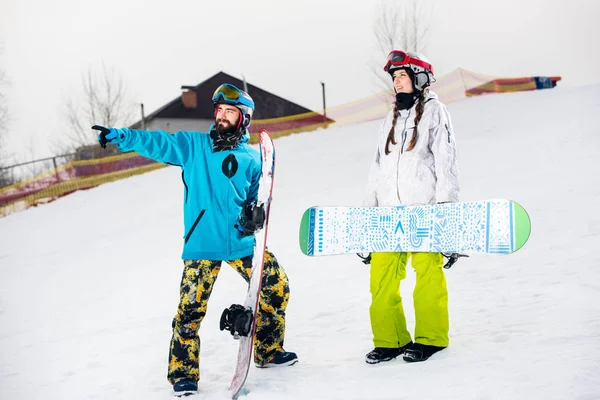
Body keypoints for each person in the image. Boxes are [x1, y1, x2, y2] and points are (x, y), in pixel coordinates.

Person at [92, 83, 298, 396]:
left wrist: (254, 217)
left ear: (244, 118)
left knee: (277, 286)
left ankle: (268, 349)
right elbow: (156, 142)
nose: (223, 117)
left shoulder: (253, 159)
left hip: (242, 243)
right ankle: (183, 374)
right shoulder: (194, 147)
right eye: (220, 111)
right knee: (189, 312)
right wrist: (122, 135)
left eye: (231, 112)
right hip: (203, 245)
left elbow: (258, 201)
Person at [362, 50, 460, 364]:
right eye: (394, 78)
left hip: (425, 211)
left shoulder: (435, 111)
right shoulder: (389, 118)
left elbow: (446, 162)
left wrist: (447, 213)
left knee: (427, 274)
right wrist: (368, 217)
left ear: (419, 78)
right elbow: (377, 168)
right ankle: (391, 340)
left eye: (402, 76)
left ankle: (431, 338)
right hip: (389, 213)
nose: (397, 82)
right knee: (381, 278)